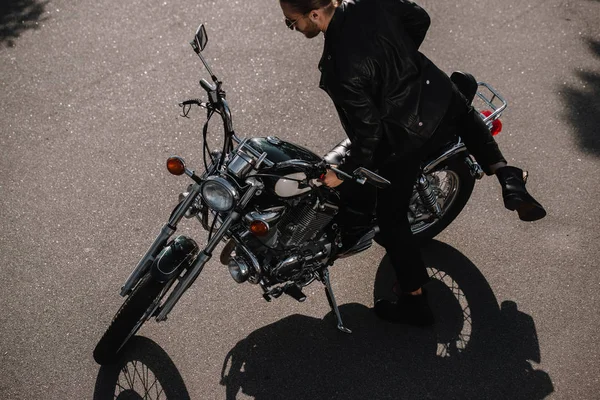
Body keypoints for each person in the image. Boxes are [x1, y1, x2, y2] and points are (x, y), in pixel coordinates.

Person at [279, 0, 546, 326]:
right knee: (463, 112)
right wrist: (403, 59)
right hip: (436, 93)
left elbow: (368, 136)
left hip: (406, 135)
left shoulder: (338, 68)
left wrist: (343, 173)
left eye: (292, 22)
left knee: (391, 221)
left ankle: (415, 303)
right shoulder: (369, 4)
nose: (292, 28)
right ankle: (507, 175)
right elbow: (419, 18)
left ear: (315, 14)